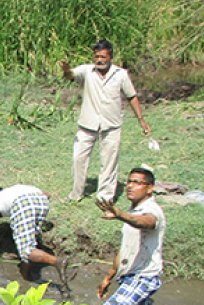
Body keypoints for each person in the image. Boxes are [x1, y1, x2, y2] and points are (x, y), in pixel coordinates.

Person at [86, 167, 166, 305]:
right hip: (131, 276)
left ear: (150, 188)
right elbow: (125, 250)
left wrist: (119, 214)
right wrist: (109, 276)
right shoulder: (134, 209)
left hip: (144, 277)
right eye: (129, 181)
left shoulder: (152, 211)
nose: (130, 186)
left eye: (137, 182)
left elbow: (144, 223)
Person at [61, 40, 151, 202]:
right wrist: (66, 69)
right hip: (87, 124)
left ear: (110, 57)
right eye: (97, 56)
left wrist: (141, 120)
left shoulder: (120, 74)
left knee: (109, 161)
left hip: (111, 124)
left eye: (103, 56)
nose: (99, 60)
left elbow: (132, 96)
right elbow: (71, 76)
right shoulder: (87, 71)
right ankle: (76, 194)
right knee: (78, 158)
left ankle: (105, 197)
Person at [0, 184, 68, 286]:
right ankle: (25, 275)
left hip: (23, 204)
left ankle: (57, 262)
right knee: (28, 245)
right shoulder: (13, 191)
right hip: (42, 202)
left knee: (26, 250)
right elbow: (47, 194)